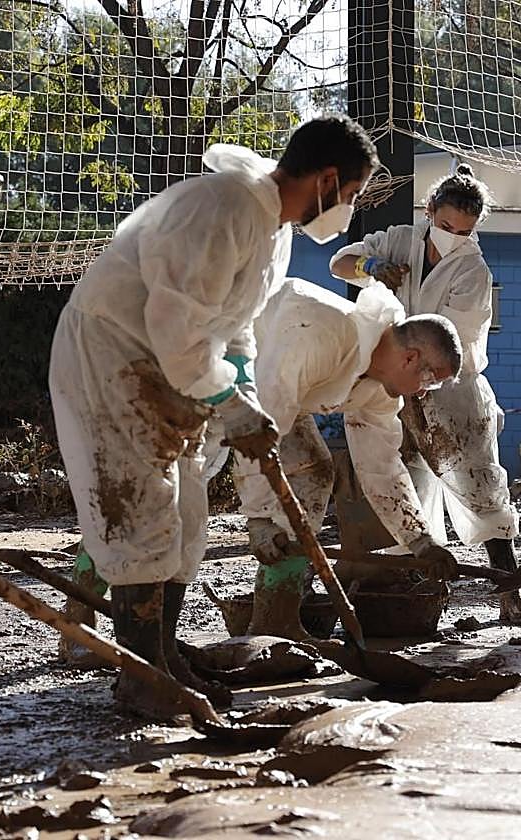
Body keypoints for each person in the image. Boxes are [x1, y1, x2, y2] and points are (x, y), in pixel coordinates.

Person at [49, 115, 379, 719]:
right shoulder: (219, 208)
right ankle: (143, 678)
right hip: (117, 358)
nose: (349, 208)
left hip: (172, 367)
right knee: (141, 516)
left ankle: (164, 658)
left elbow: (235, 324)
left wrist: (243, 383)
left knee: (186, 517)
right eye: (353, 195)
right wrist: (228, 402)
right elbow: (177, 330)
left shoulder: (273, 229)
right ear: (328, 179)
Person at [329, 164, 521, 625]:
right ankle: (417, 588)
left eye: (464, 231)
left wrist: (418, 384)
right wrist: (371, 266)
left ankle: (509, 590)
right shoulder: (399, 239)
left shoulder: (473, 271)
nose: (454, 237)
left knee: (480, 484)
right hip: (388, 377)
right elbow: (339, 263)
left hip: (449, 387)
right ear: (429, 213)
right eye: (445, 227)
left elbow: (447, 346)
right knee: (400, 483)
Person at [232, 278, 462, 638]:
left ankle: (276, 623)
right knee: (174, 504)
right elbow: (262, 421)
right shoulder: (320, 335)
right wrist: (259, 516)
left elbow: (381, 466)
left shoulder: (379, 387)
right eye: (429, 381)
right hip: (209, 373)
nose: (423, 391)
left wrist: (420, 540)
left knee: (314, 473)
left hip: (268, 398)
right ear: (411, 358)